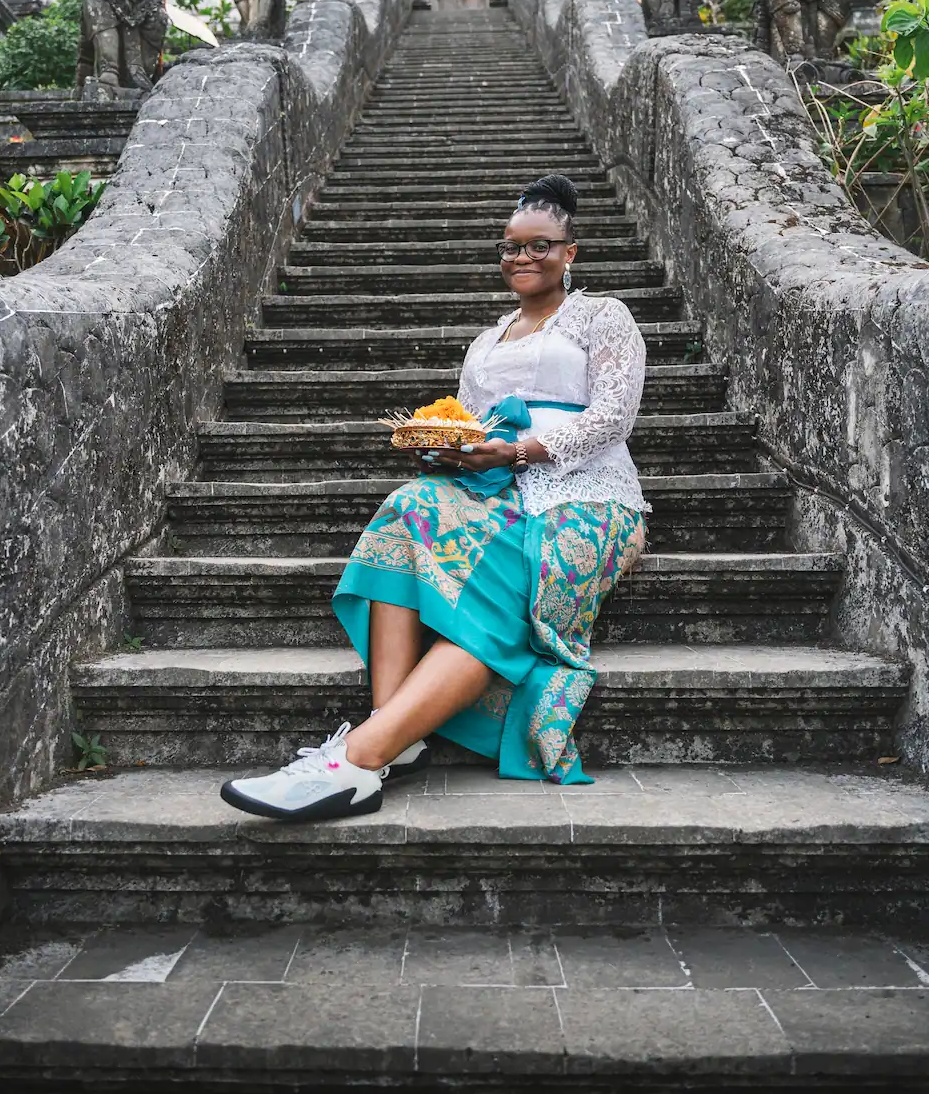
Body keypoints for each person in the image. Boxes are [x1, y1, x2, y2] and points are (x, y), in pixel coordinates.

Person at [220, 174, 649, 822]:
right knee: (406, 510)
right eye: (510, 248)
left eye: (540, 246)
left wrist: (520, 450)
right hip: (495, 492)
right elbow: (471, 429)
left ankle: (358, 759)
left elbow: (615, 415)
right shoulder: (485, 343)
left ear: (570, 252)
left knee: (487, 592)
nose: (522, 258)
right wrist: (450, 451)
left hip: (585, 497)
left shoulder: (601, 316)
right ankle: (396, 733)